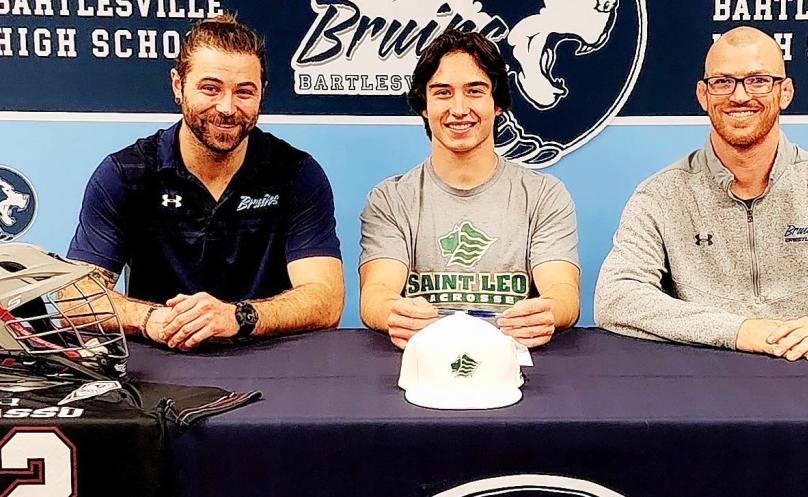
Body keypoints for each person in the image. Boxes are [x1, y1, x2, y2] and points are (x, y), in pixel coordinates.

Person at [594, 26, 808, 361]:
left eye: (759, 80)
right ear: (704, 95)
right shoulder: (660, 195)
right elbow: (617, 298)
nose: (740, 95)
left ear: (785, 92)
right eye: (723, 82)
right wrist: (738, 331)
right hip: (698, 382)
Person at [68, 15, 344, 351]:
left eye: (244, 91)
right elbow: (75, 299)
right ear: (177, 85)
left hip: (272, 360)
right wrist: (152, 319)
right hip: (160, 358)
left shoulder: (297, 173)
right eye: (210, 88)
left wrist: (237, 317)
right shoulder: (126, 172)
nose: (227, 108)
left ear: (261, 94)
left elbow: (326, 299)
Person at [359, 29, 580, 350]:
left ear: (498, 103)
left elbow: (562, 290)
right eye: (442, 92)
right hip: (424, 357)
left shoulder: (545, 194)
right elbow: (376, 292)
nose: (459, 108)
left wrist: (548, 312)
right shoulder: (390, 198)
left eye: (475, 91)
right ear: (424, 105)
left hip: (516, 358)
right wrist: (394, 312)